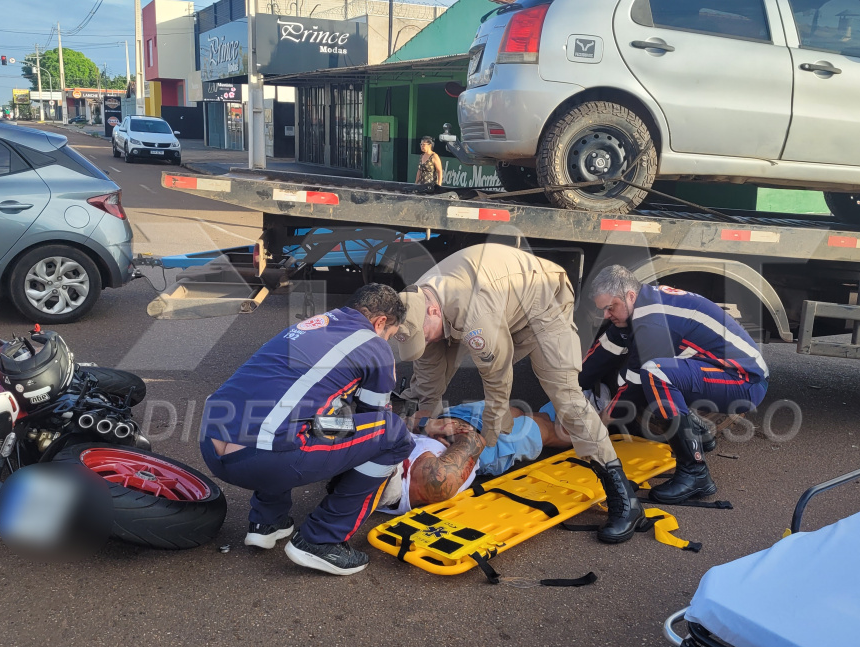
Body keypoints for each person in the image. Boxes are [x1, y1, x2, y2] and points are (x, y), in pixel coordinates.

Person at [392, 243, 645, 544]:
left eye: (425, 334)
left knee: (565, 396)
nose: (425, 340)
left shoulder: (475, 316)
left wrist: (488, 431)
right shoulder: (418, 304)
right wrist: (426, 425)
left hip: (541, 296)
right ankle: (570, 422)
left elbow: (497, 376)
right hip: (501, 294)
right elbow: (429, 381)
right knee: (434, 378)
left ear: (433, 311)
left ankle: (623, 497)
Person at [199, 283, 413, 576]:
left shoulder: (313, 325)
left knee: (296, 416)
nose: (386, 340)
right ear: (380, 323)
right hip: (264, 457)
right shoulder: (372, 343)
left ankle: (267, 521)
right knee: (393, 434)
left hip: (212, 445)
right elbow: (372, 418)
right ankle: (322, 540)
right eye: (389, 334)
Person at [581, 265, 769, 504]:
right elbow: (607, 347)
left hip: (745, 380)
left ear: (629, 296)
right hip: (728, 369)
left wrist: (603, 421)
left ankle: (695, 472)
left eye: (610, 307)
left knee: (656, 375)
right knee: (658, 376)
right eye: (604, 309)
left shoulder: (652, 322)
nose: (607, 315)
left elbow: (634, 386)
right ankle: (700, 433)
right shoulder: (641, 301)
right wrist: (574, 385)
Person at [378, 402, 570, 515]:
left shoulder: (365, 456)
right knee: (547, 430)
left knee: (520, 412)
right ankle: (595, 430)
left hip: (448, 421)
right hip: (488, 444)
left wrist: (426, 424)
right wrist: (435, 427)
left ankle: (579, 406)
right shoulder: (430, 479)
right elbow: (474, 441)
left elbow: (389, 422)